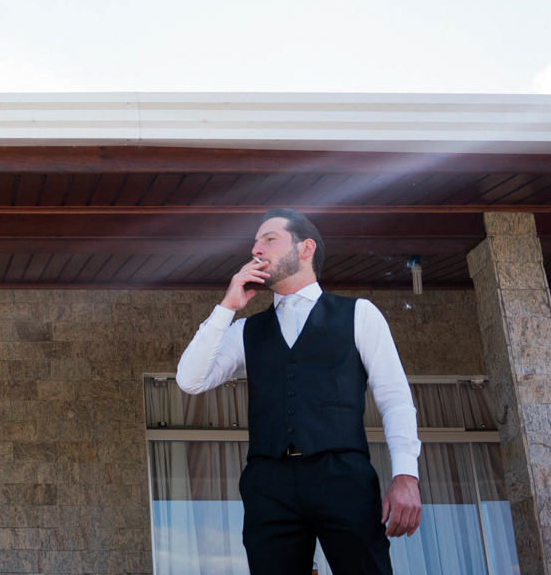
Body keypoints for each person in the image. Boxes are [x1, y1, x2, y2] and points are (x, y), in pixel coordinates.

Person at [176, 208, 421, 575]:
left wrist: (406, 474)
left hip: (342, 475)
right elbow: (190, 379)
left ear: (305, 248)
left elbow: (395, 397)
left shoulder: (359, 314)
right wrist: (227, 306)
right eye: (254, 243)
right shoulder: (246, 331)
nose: (257, 249)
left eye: (269, 239)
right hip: (268, 483)